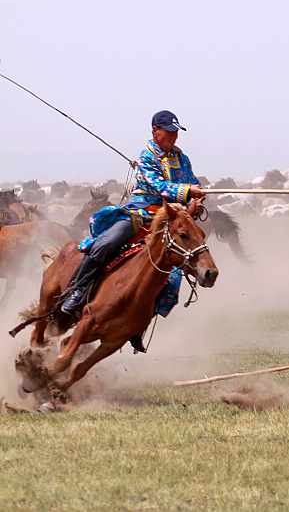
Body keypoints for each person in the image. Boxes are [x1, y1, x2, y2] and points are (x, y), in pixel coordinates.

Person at [61, 110, 205, 352]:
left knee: (170, 278)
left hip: (171, 220)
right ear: (155, 131)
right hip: (142, 214)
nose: (173, 135)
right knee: (107, 243)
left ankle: (138, 325)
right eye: (168, 131)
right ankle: (76, 291)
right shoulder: (147, 156)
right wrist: (187, 191)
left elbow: (192, 182)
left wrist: (196, 201)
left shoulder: (183, 159)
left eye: (176, 131)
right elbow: (158, 186)